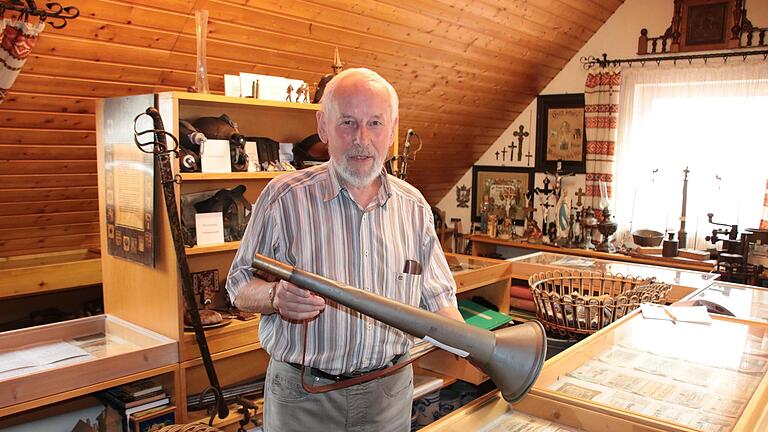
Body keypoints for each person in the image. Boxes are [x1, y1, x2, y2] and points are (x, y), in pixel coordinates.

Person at [226, 68, 463, 432]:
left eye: (375, 123)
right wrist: (275, 296)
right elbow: (238, 286)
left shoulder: (414, 207)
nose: (362, 139)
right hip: (304, 398)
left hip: (389, 395)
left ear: (393, 128)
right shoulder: (283, 198)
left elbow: (439, 300)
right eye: (348, 123)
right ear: (323, 127)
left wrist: (484, 350)